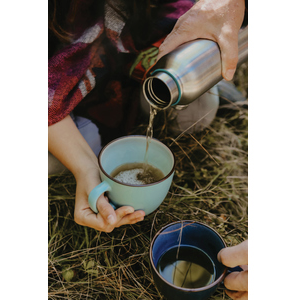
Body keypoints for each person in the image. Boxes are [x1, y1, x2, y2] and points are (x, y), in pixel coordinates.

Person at [48, 0, 247, 233]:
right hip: (63, 86)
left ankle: (201, 63)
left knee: (196, 111)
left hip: (143, 44)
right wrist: (85, 168)